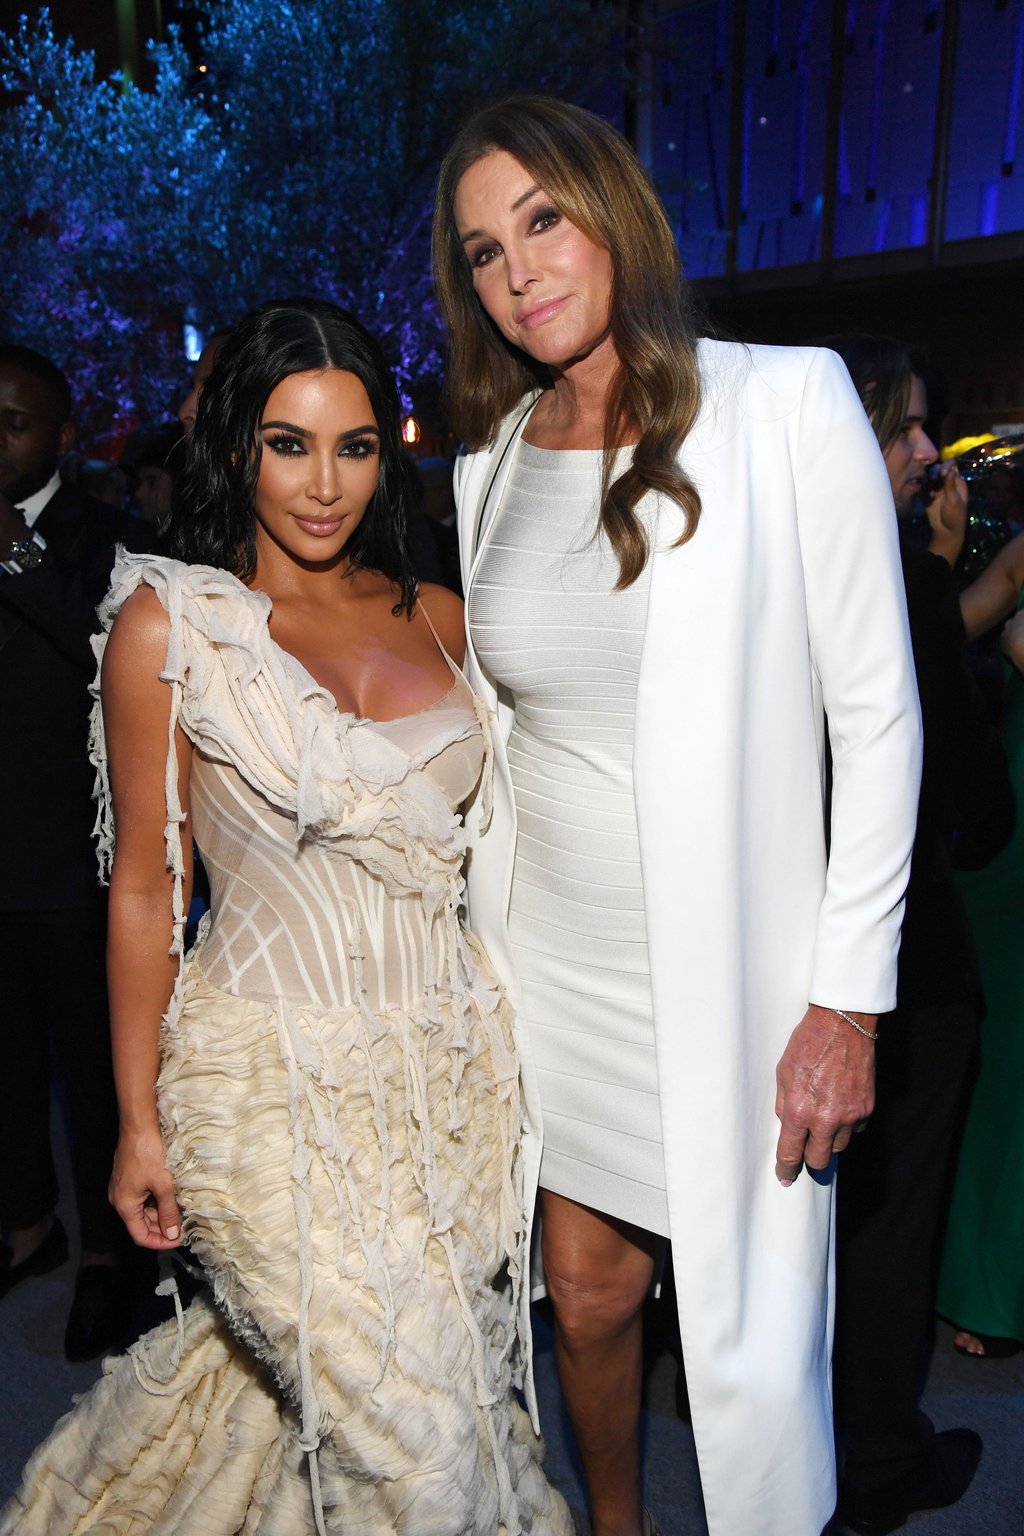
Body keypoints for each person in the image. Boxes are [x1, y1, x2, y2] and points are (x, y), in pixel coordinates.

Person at [432, 97, 923, 1536]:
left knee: (756, 1352)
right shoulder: (493, 461)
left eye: (541, 220)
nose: (516, 272)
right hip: (550, 970)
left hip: (738, 981)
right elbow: (505, 731)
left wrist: (850, 1006)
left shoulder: (786, 402)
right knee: (583, 1298)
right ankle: (615, 1524)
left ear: (611, 212)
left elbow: (878, 719)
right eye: (479, 252)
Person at [0, 299, 571, 1536]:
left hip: (451, 1089)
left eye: (354, 446)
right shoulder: (173, 628)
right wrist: (136, 1125)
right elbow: (149, 892)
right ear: (236, 449)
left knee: (350, 1392)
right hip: (262, 1086)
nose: (324, 484)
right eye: (289, 443)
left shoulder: (443, 618)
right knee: (427, 1455)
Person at [824, 334, 1012, 1534]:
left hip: (795, 941)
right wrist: (939, 579)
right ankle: (881, 1460)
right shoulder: (890, 574)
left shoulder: (783, 563)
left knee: (816, 1227)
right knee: (887, 1231)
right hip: (907, 961)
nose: (926, 451)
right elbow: (978, 811)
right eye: (901, 427)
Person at [0, 343, 158, 1361]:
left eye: (12, 420)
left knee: (99, 1078)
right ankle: (28, 1225)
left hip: (77, 864)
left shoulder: (109, 539)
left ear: (61, 432)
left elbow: (94, 644)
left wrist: (11, 552)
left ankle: (111, 1254)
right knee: (5, 1069)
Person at [936, 526, 1024, 1362]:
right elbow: (956, 626)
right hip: (1009, 841)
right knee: (1002, 1065)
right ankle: (988, 1285)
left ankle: (992, 1286)